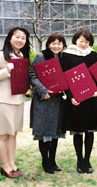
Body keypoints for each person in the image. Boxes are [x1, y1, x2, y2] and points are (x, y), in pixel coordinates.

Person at [0, 27, 31, 178]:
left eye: (23, 38)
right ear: (10, 38)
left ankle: (12, 164)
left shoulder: (23, 56)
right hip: (4, 101)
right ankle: (5, 167)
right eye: (17, 37)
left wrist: (26, 88)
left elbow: (23, 77)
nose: (20, 40)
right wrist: (6, 71)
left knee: (13, 134)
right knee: (3, 135)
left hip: (18, 100)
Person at [59, 28, 97, 174]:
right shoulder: (66, 55)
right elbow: (64, 78)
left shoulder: (93, 55)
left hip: (90, 98)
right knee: (77, 131)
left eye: (87, 42)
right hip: (75, 99)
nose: (84, 44)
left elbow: (96, 76)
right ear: (75, 40)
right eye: (81, 41)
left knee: (89, 131)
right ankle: (79, 160)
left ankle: (87, 160)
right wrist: (70, 96)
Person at [29, 32, 67, 174]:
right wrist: (43, 91)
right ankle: (45, 161)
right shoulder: (41, 57)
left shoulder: (63, 58)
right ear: (48, 44)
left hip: (57, 100)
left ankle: (53, 161)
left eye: (59, 43)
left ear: (63, 45)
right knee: (44, 133)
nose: (56, 46)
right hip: (44, 100)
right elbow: (32, 76)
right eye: (53, 43)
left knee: (55, 132)